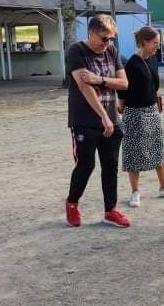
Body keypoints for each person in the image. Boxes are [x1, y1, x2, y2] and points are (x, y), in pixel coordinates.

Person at [65, 14, 131, 228]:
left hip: (113, 118)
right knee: (86, 165)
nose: (107, 43)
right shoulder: (76, 51)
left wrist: (100, 79)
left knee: (110, 166)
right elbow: (85, 88)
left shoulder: (111, 51)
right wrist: (103, 116)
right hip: (85, 120)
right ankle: (72, 203)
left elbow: (124, 83)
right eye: (104, 38)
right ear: (91, 33)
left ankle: (110, 210)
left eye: (111, 39)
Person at [117, 26, 164, 208]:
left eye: (158, 42)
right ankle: (135, 192)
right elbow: (122, 89)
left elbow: (154, 85)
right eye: (155, 42)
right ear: (143, 43)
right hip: (134, 112)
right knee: (133, 152)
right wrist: (121, 105)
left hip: (152, 110)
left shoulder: (153, 59)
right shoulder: (132, 63)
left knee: (158, 148)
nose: (158, 46)